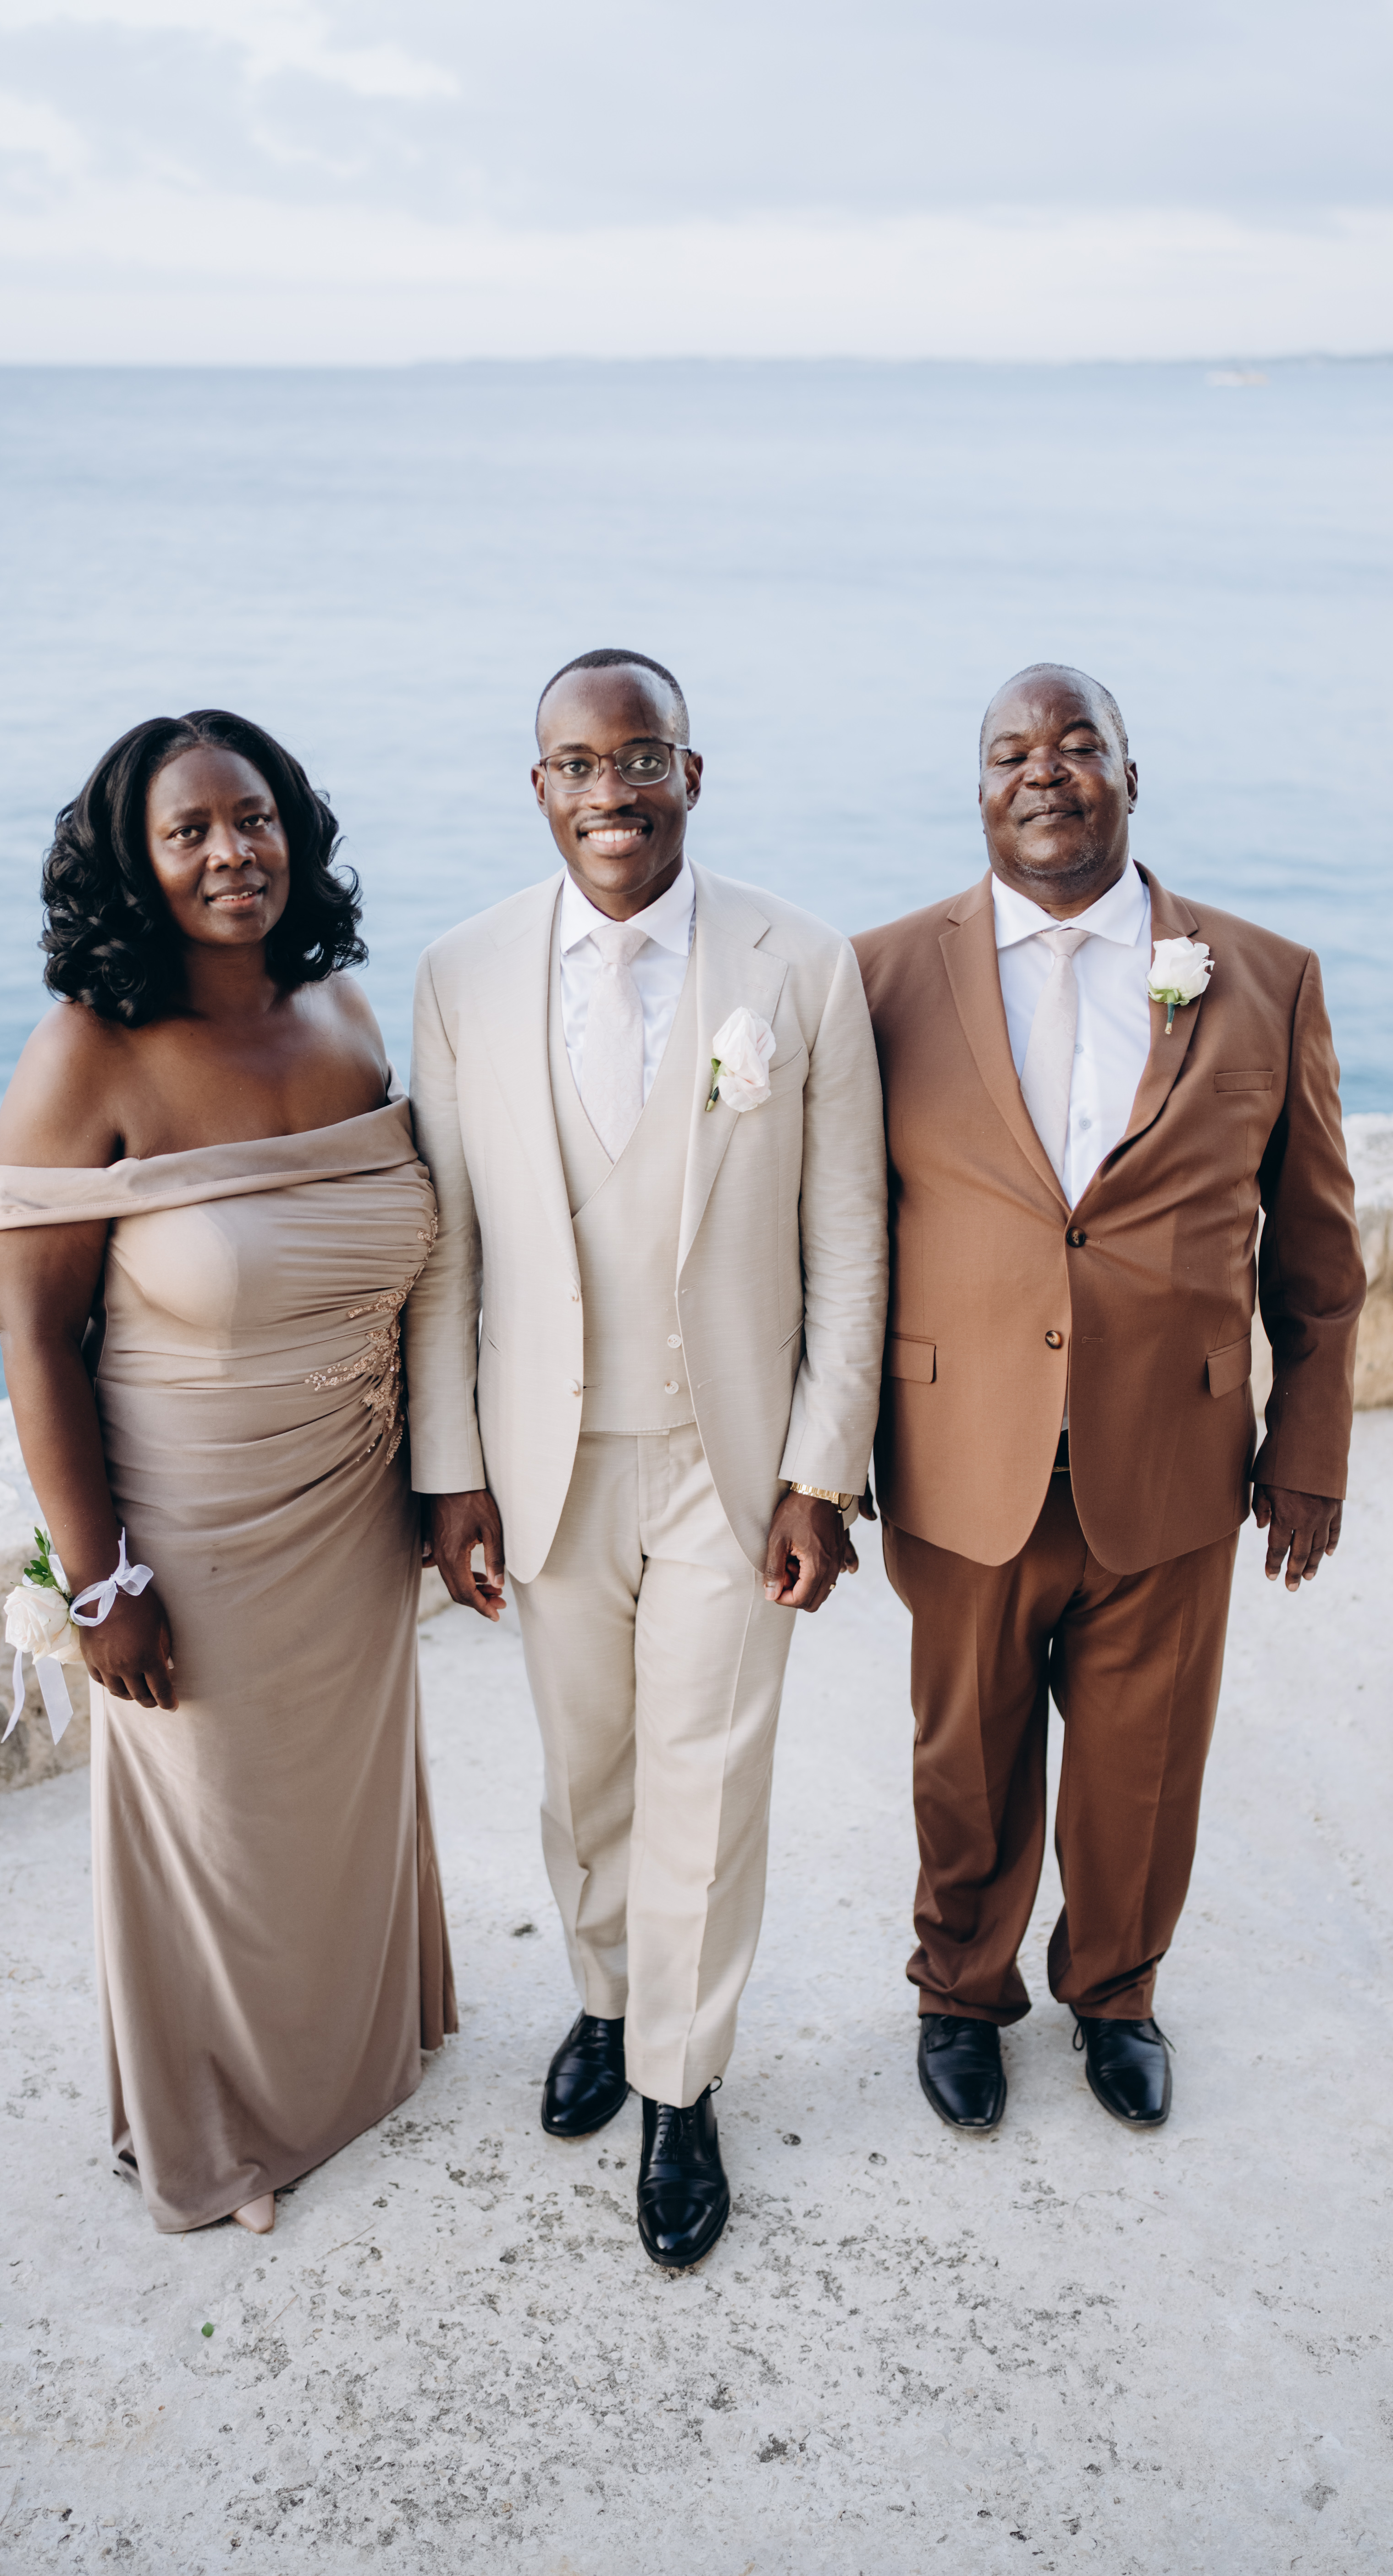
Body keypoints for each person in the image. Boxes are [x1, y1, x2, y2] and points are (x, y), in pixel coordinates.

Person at [404, 649, 886, 2267]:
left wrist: (822, 1472)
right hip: (545, 1462)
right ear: (539, 786)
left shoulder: (801, 962)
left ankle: (682, 2083)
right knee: (587, 1771)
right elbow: (449, 1254)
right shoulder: (462, 972)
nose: (612, 791)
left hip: (727, 1464)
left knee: (710, 1772)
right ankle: (607, 1999)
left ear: (691, 771)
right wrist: (451, 1472)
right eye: (579, 765)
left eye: (642, 758)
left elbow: (848, 1239)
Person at [853, 663, 1365, 2133]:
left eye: (1081, 743)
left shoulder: (1265, 976)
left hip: (1177, 1453)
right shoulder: (879, 979)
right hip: (962, 1453)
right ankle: (961, 1992)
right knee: (966, 1756)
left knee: (1144, 1762)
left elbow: (1319, 1254)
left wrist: (1310, 1452)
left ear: (1133, 779)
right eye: (1011, 750)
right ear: (978, 792)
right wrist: (820, 1466)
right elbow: (835, 1236)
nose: (1046, 770)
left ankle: (1118, 1993)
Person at [0, 709, 456, 2237]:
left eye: (252, 819)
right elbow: (36, 1336)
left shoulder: (345, 1013)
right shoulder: (86, 1054)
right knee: (223, 1829)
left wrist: (442, 1480)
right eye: (187, 832)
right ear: (136, 862)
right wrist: (100, 1582)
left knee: (340, 1804)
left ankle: (362, 2058)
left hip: (354, 1501)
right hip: (191, 1526)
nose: (231, 853)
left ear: (293, 829)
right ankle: (226, 2124)